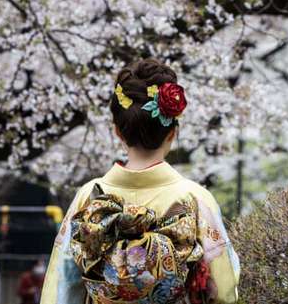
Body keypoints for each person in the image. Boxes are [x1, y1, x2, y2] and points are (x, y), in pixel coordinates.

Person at [41, 58, 240, 304]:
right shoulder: (195, 199)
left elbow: (63, 286)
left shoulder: (87, 196)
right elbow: (223, 288)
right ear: (173, 132)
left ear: (117, 131)